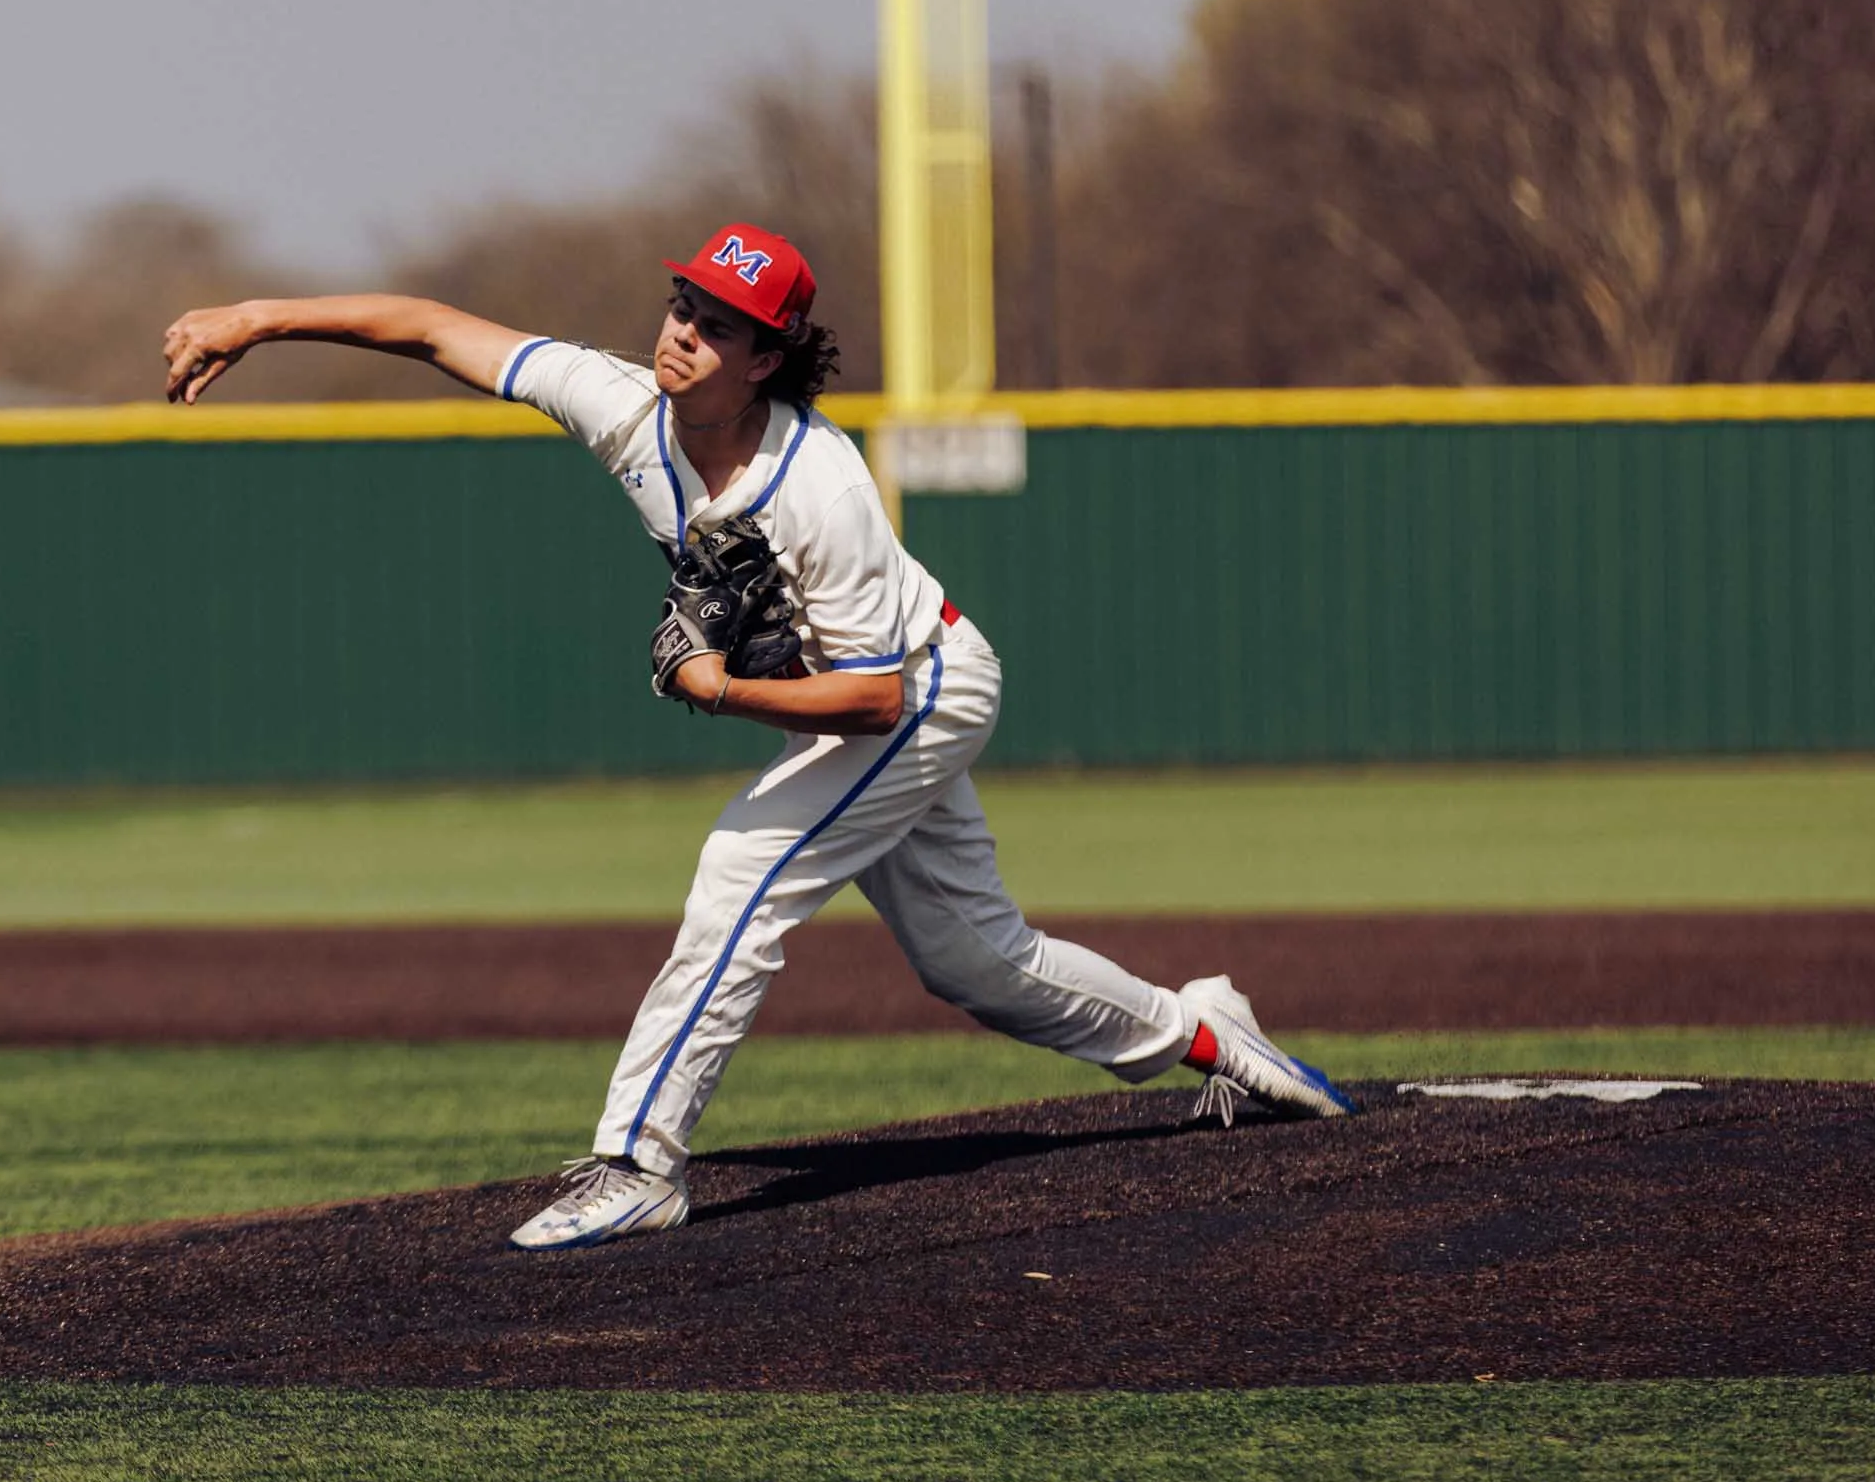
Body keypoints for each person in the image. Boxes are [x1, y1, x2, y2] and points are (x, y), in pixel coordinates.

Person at [161, 223, 1355, 1251]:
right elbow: (431, 330)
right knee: (976, 964)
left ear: (767, 357)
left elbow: (875, 700)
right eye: (683, 304)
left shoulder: (819, 487)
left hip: (922, 689)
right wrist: (256, 319)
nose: (683, 332)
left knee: (744, 868)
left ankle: (639, 1163)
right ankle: (1204, 1028)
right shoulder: (623, 405)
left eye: (718, 324)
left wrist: (719, 689)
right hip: (865, 696)